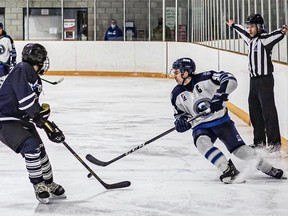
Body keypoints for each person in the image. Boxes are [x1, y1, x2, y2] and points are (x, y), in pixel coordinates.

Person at [170, 57, 284, 183]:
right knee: (201, 143)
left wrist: (220, 95)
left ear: (185, 72)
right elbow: (180, 114)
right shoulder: (175, 94)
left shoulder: (206, 78)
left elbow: (230, 79)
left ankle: (269, 168)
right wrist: (181, 122)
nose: (174, 76)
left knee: (241, 151)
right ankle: (228, 170)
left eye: (176, 72)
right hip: (200, 126)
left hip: (221, 122)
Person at [0, 43, 66, 204]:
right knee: (31, 147)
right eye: (43, 58)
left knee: (40, 150)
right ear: (38, 59)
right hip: (4, 119)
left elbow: (32, 111)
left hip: (20, 119)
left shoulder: (32, 77)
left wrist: (48, 126)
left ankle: (49, 183)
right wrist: (39, 116)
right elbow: (25, 103)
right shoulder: (23, 69)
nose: (44, 62)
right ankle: (39, 186)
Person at [226, 14, 288, 153]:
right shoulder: (250, 40)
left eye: (252, 26)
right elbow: (242, 32)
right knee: (255, 112)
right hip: (253, 81)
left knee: (268, 112)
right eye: (248, 26)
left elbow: (276, 34)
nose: (249, 29)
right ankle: (259, 142)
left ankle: (274, 144)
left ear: (259, 27)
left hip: (265, 80)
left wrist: (283, 30)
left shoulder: (265, 40)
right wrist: (234, 25)